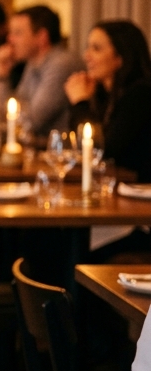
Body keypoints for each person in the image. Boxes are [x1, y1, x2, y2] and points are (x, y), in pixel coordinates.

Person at [64, 20, 151, 260]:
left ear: (121, 58)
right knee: (51, 241)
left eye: (96, 48)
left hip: (139, 214)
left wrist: (80, 104)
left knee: (72, 252)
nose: (86, 56)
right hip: (121, 202)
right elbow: (79, 147)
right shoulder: (106, 95)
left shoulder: (141, 95)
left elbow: (103, 151)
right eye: (87, 47)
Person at [0, 4, 80, 140]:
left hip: (56, 153)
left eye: (17, 33)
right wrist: (1, 76)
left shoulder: (61, 65)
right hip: (37, 148)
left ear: (41, 37)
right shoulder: (33, 63)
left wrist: (13, 117)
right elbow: (8, 114)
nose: (10, 39)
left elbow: (31, 122)